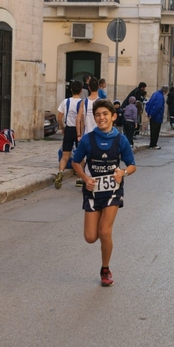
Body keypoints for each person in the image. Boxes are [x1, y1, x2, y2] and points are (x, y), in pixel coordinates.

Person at [72, 99, 136, 287]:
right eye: (98, 115)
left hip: (113, 192)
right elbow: (76, 162)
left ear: (113, 116)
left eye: (105, 114)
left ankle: (105, 269)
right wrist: (85, 178)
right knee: (91, 237)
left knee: (105, 231)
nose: (101, 118)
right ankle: (103, 241)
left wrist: (122, 172)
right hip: (92, 191)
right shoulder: (88, 139)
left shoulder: (120, 140)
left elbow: (132, 166)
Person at [54, 80, 83, 189]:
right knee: (80, 156)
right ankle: (79, 178)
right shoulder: (82, 103)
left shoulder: (65, 102)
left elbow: (59, 118)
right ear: (81, 90)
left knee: (65, 155)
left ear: (71, 89)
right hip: (78, 131)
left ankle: (61, 172)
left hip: (68, 129)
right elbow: (82, 119)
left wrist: (62, 128)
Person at [145, 85, 169, 150]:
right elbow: (157, 107)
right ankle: (153, 145)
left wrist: (148, 113)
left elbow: (149, 103)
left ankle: (152, 144)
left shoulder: (155, 94)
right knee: (155, 131)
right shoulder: (160, 97)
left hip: (153, 116)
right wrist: (152, 114)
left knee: (153, 131)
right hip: (157, 116)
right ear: (166, 91)